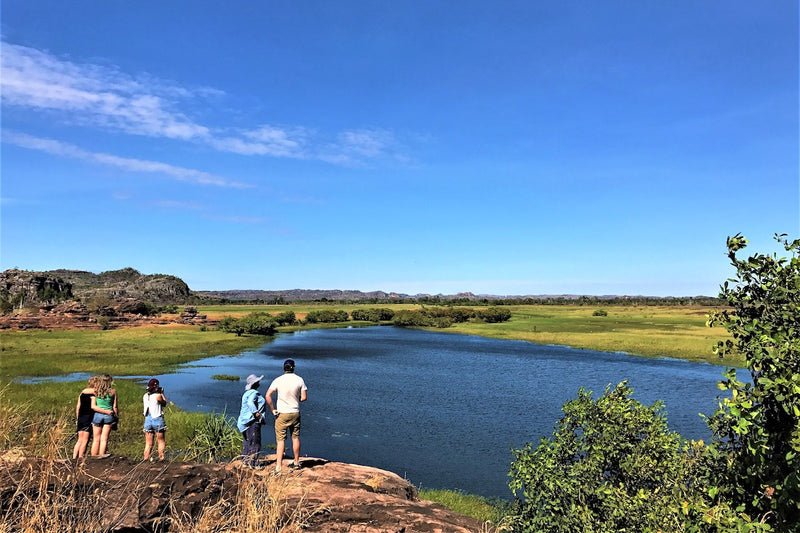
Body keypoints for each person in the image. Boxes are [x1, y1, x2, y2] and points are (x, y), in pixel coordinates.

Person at [265, 359, 307, 472]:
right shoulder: (299, 379)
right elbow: (304, 398)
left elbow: (268, 396)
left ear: (284, 368)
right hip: (295, 412)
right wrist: (296, 398)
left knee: (280, 440)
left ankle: (278, 466)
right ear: (294, 367)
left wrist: (273, 409)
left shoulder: (278, 380)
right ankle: (297, 462)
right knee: (295, 437)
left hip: (282, 413)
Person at [237, 373, 266, 467]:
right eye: (258, 381)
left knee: (247, 442)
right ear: (254, 384)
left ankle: (245, 462)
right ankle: (253, 464)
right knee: (255, 443)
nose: (259, 383)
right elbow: (250, 403)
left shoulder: (246, 393)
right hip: (252, 421)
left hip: (244, 421)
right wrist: (256, 413)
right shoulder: (254, 393)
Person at [91, 374, 118, 457]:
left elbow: (93, 406)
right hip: (109, 415)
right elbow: (115, 406)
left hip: (97, 415)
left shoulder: (95, 391)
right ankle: (102, 455)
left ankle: (93, 456)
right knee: (104, 438)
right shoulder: (113, 392)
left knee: (96, 439)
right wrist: (116, 416)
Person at [72, 376, 98, 459]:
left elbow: (78, 406)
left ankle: (74, 457)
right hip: (89, 417)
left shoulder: (82, 392)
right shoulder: (95, 393)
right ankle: (81, 457)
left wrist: (77, 416)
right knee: (85, 440)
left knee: (79, 439)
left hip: (81, 416)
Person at [142, 378, 168, 461]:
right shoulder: (158, 396)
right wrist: (162, 393)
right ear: (156, 387)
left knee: (148, 443)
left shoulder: (145, 396)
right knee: (160, 441)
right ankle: (161, 458)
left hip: (148, 419)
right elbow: (164, 403)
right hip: (157, 419)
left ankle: (145, 460)